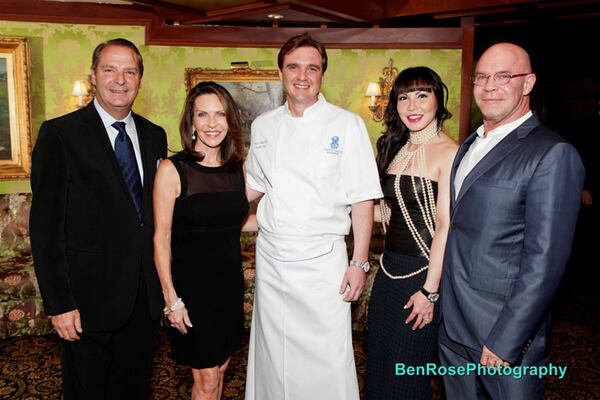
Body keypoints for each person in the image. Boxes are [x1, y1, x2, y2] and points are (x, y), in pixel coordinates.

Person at [439, 43, 585, 399]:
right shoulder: (469, 144)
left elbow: (545, 261)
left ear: (528, 83)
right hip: (452, 326)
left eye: (504, 76)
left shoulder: (551, 153)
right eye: (482, 77)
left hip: (502, 336)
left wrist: (507, 340)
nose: (489, 86)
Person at [244, 33, 382, 400]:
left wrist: (359, 262)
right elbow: (251, 188)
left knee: (327, 357)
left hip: (324, 264)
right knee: (273, 355)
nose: (302, 75)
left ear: (322, 75)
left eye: (312, 68)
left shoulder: (347, 124)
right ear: (281, 73)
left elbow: (362, 200)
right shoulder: (263, 127)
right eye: (293, 67)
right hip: (272, 261)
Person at [30, 38, 167, 399]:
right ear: (93, 76)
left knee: (134, 390)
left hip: (143, 300)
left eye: (130, 71)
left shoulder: (155, 136)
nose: (120, 79)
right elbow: (45, 229)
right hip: (87, 302)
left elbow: (153, 217)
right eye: (110, 69)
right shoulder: (60, 134)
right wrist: (59, 303)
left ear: (140, 78)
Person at [153, 81, 251, 400]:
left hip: (228, 286)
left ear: (230, 121)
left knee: (220, 368)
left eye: (220, 115)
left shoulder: (238, 169)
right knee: (207, 376)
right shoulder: (173, 169)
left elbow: (236, 222)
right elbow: (161, 238)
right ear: (191, 122)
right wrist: (171, 299)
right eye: (203, 115)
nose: (212, 124)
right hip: (191, 292)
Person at [366, 66, 458, 399]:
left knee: (406, 373)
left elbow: (445, 226)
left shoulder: (450, 152)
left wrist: (430, 292)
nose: (412, 106)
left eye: (422, 95)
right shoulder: (397, 147)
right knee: (378, 362)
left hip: (422, 276)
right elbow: (390, 213)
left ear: (438, 100)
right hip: (388, 272)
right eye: (404, 97)